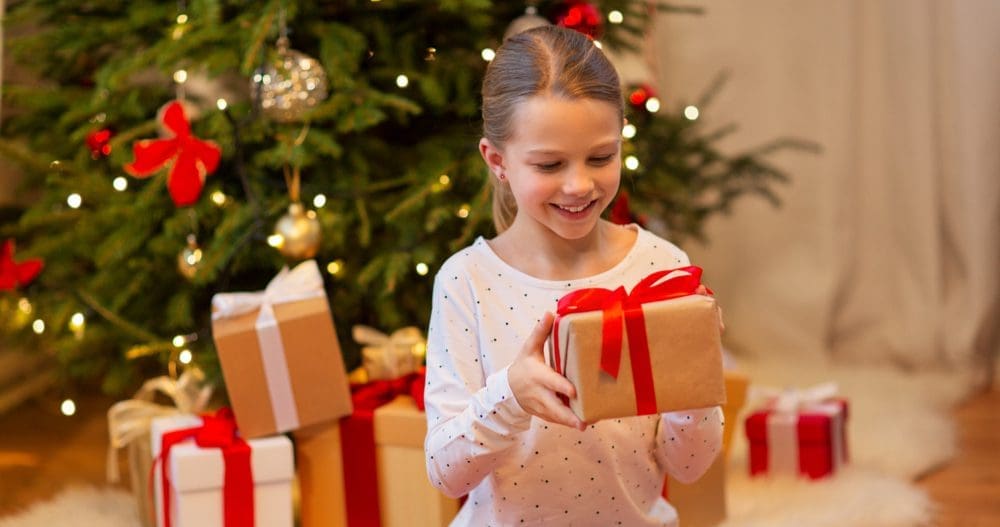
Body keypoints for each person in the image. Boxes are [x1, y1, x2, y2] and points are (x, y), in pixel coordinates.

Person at [424, 25, 724, 526]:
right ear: (496, 160)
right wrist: (510, 396)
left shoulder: (662, 269)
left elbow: (689, 467)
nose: (579, 184)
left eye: (601, 158)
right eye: (549, 164)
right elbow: (446, 473)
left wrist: (692, 378)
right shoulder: (466, 282)